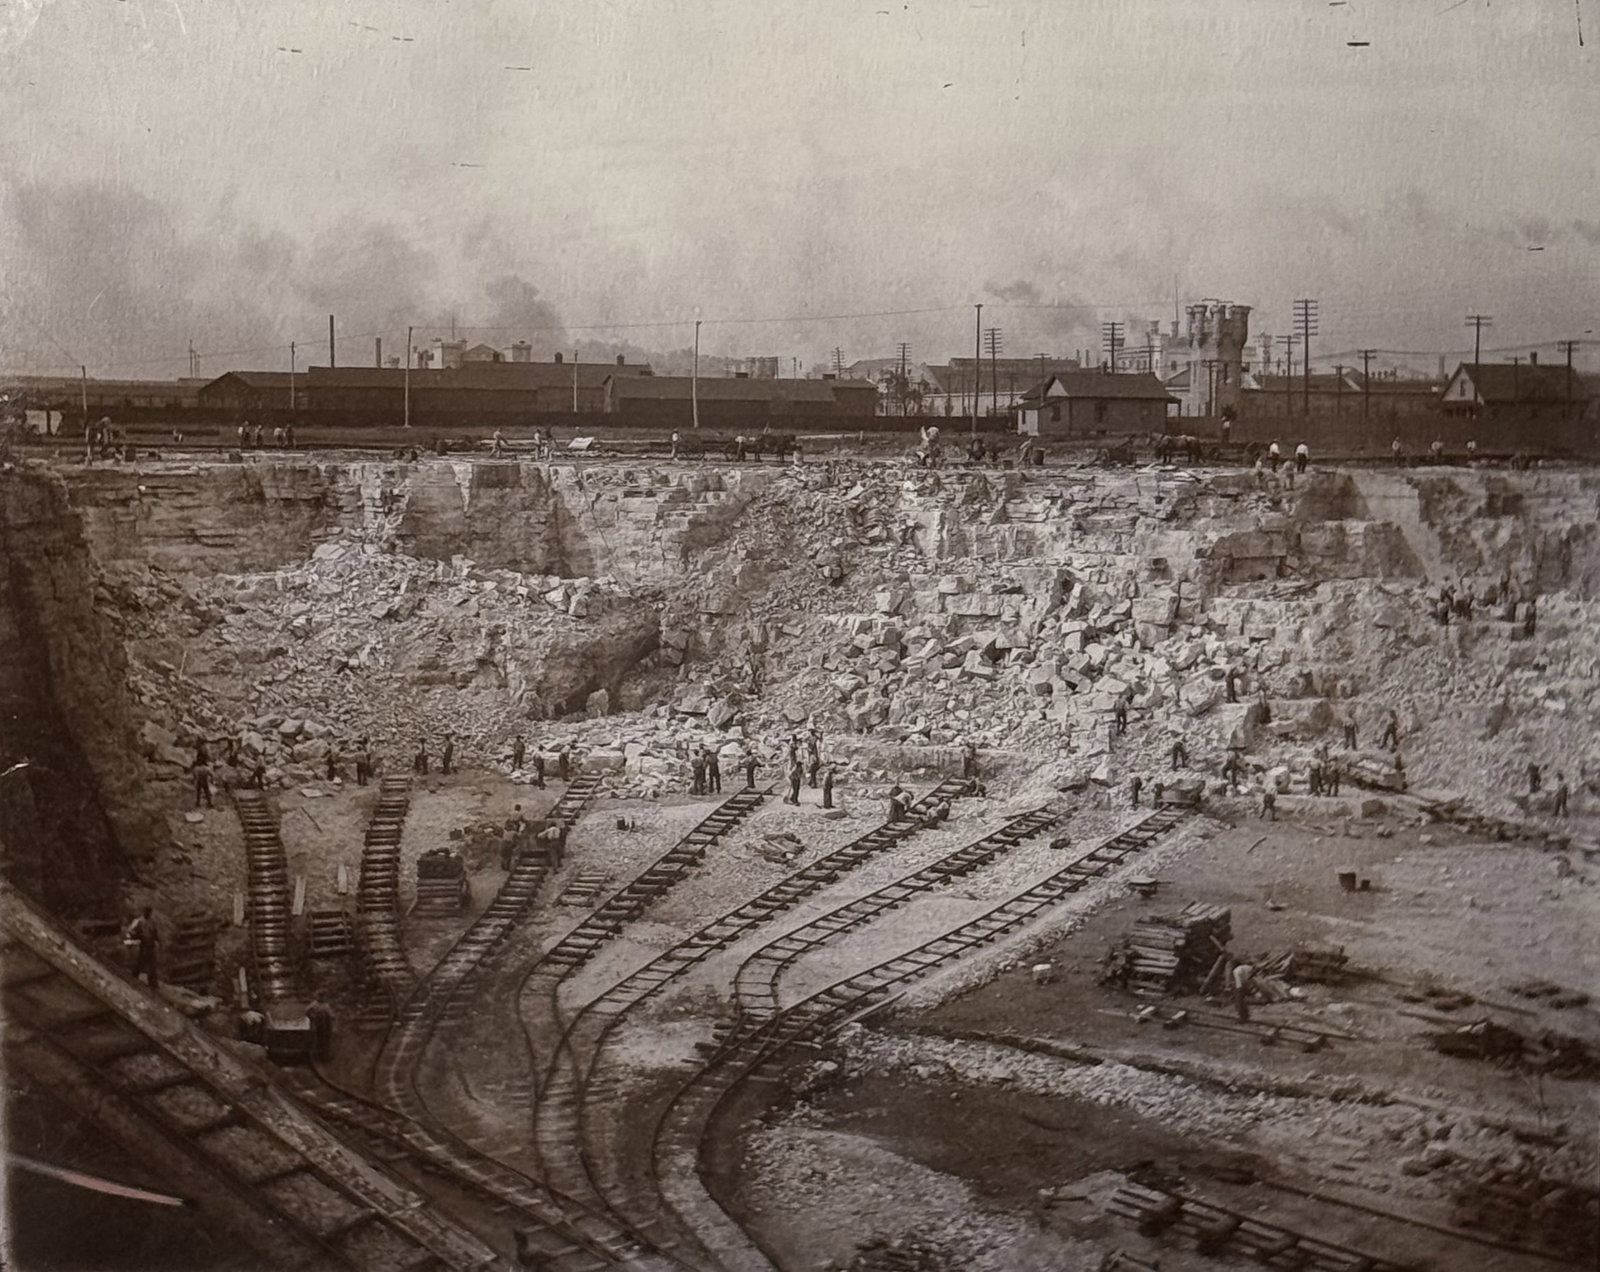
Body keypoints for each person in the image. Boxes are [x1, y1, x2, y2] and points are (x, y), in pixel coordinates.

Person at [126, 906, 160, 989]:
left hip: (150, 944)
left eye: (149, 912)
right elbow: (130, 931)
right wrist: (136, 937)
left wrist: (158, 940)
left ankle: (152, 983)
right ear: (144, 911)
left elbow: (155, 933)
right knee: (140, 960)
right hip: (143, 943)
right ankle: (134, 976)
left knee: (152, 963)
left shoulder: (152, 922)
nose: (148, 913)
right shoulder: (138, 921)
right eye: (146, 911)